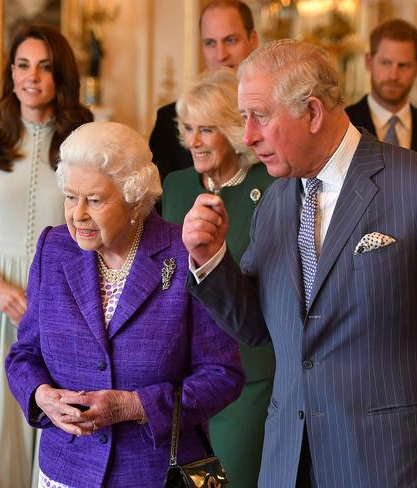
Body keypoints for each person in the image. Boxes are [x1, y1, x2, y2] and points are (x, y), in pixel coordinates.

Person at [183, 39, 417, 487]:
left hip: (394, 462)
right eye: (245, 119)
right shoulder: (276, 202)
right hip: (287, 463)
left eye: (260, 116)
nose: (248, 136)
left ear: (313, 112)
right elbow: (259, 329)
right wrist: (210, 259)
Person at [5, 121, 245, 487]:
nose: (78, 214)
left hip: (157, 473)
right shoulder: (53, 249)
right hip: (66, 471)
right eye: (71, 197)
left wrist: (136, 406)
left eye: (95, 200)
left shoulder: (183, 254)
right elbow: (24, 354)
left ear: (134, 197)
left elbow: (224, 376)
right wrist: (41, 396)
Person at [162, 66, 276, 488]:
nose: (193, 141)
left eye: (206, 129)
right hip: (183, 382)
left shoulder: (272, 188)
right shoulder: (174, 187)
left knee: (234, 480)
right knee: (193, 483)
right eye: (188, 128)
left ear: (233, 129)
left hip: (249, 379)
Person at [0, 23, 92, 488]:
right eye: (22, 64)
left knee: (53, 418)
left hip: (62, 302)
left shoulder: (82, 140)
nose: (31, 76)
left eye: (45, 66)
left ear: (60, 75)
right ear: (10, 72)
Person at [149, 0, 258, 182]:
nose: (221, 54)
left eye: (231, 40)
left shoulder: (273, 115)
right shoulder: (169, 120)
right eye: (210, 43)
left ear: (253, 39)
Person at [345, 19, 417, 177]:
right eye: (385, 63)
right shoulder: (343, 125)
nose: (393, 75)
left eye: (404, 65)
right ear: (368, 62)